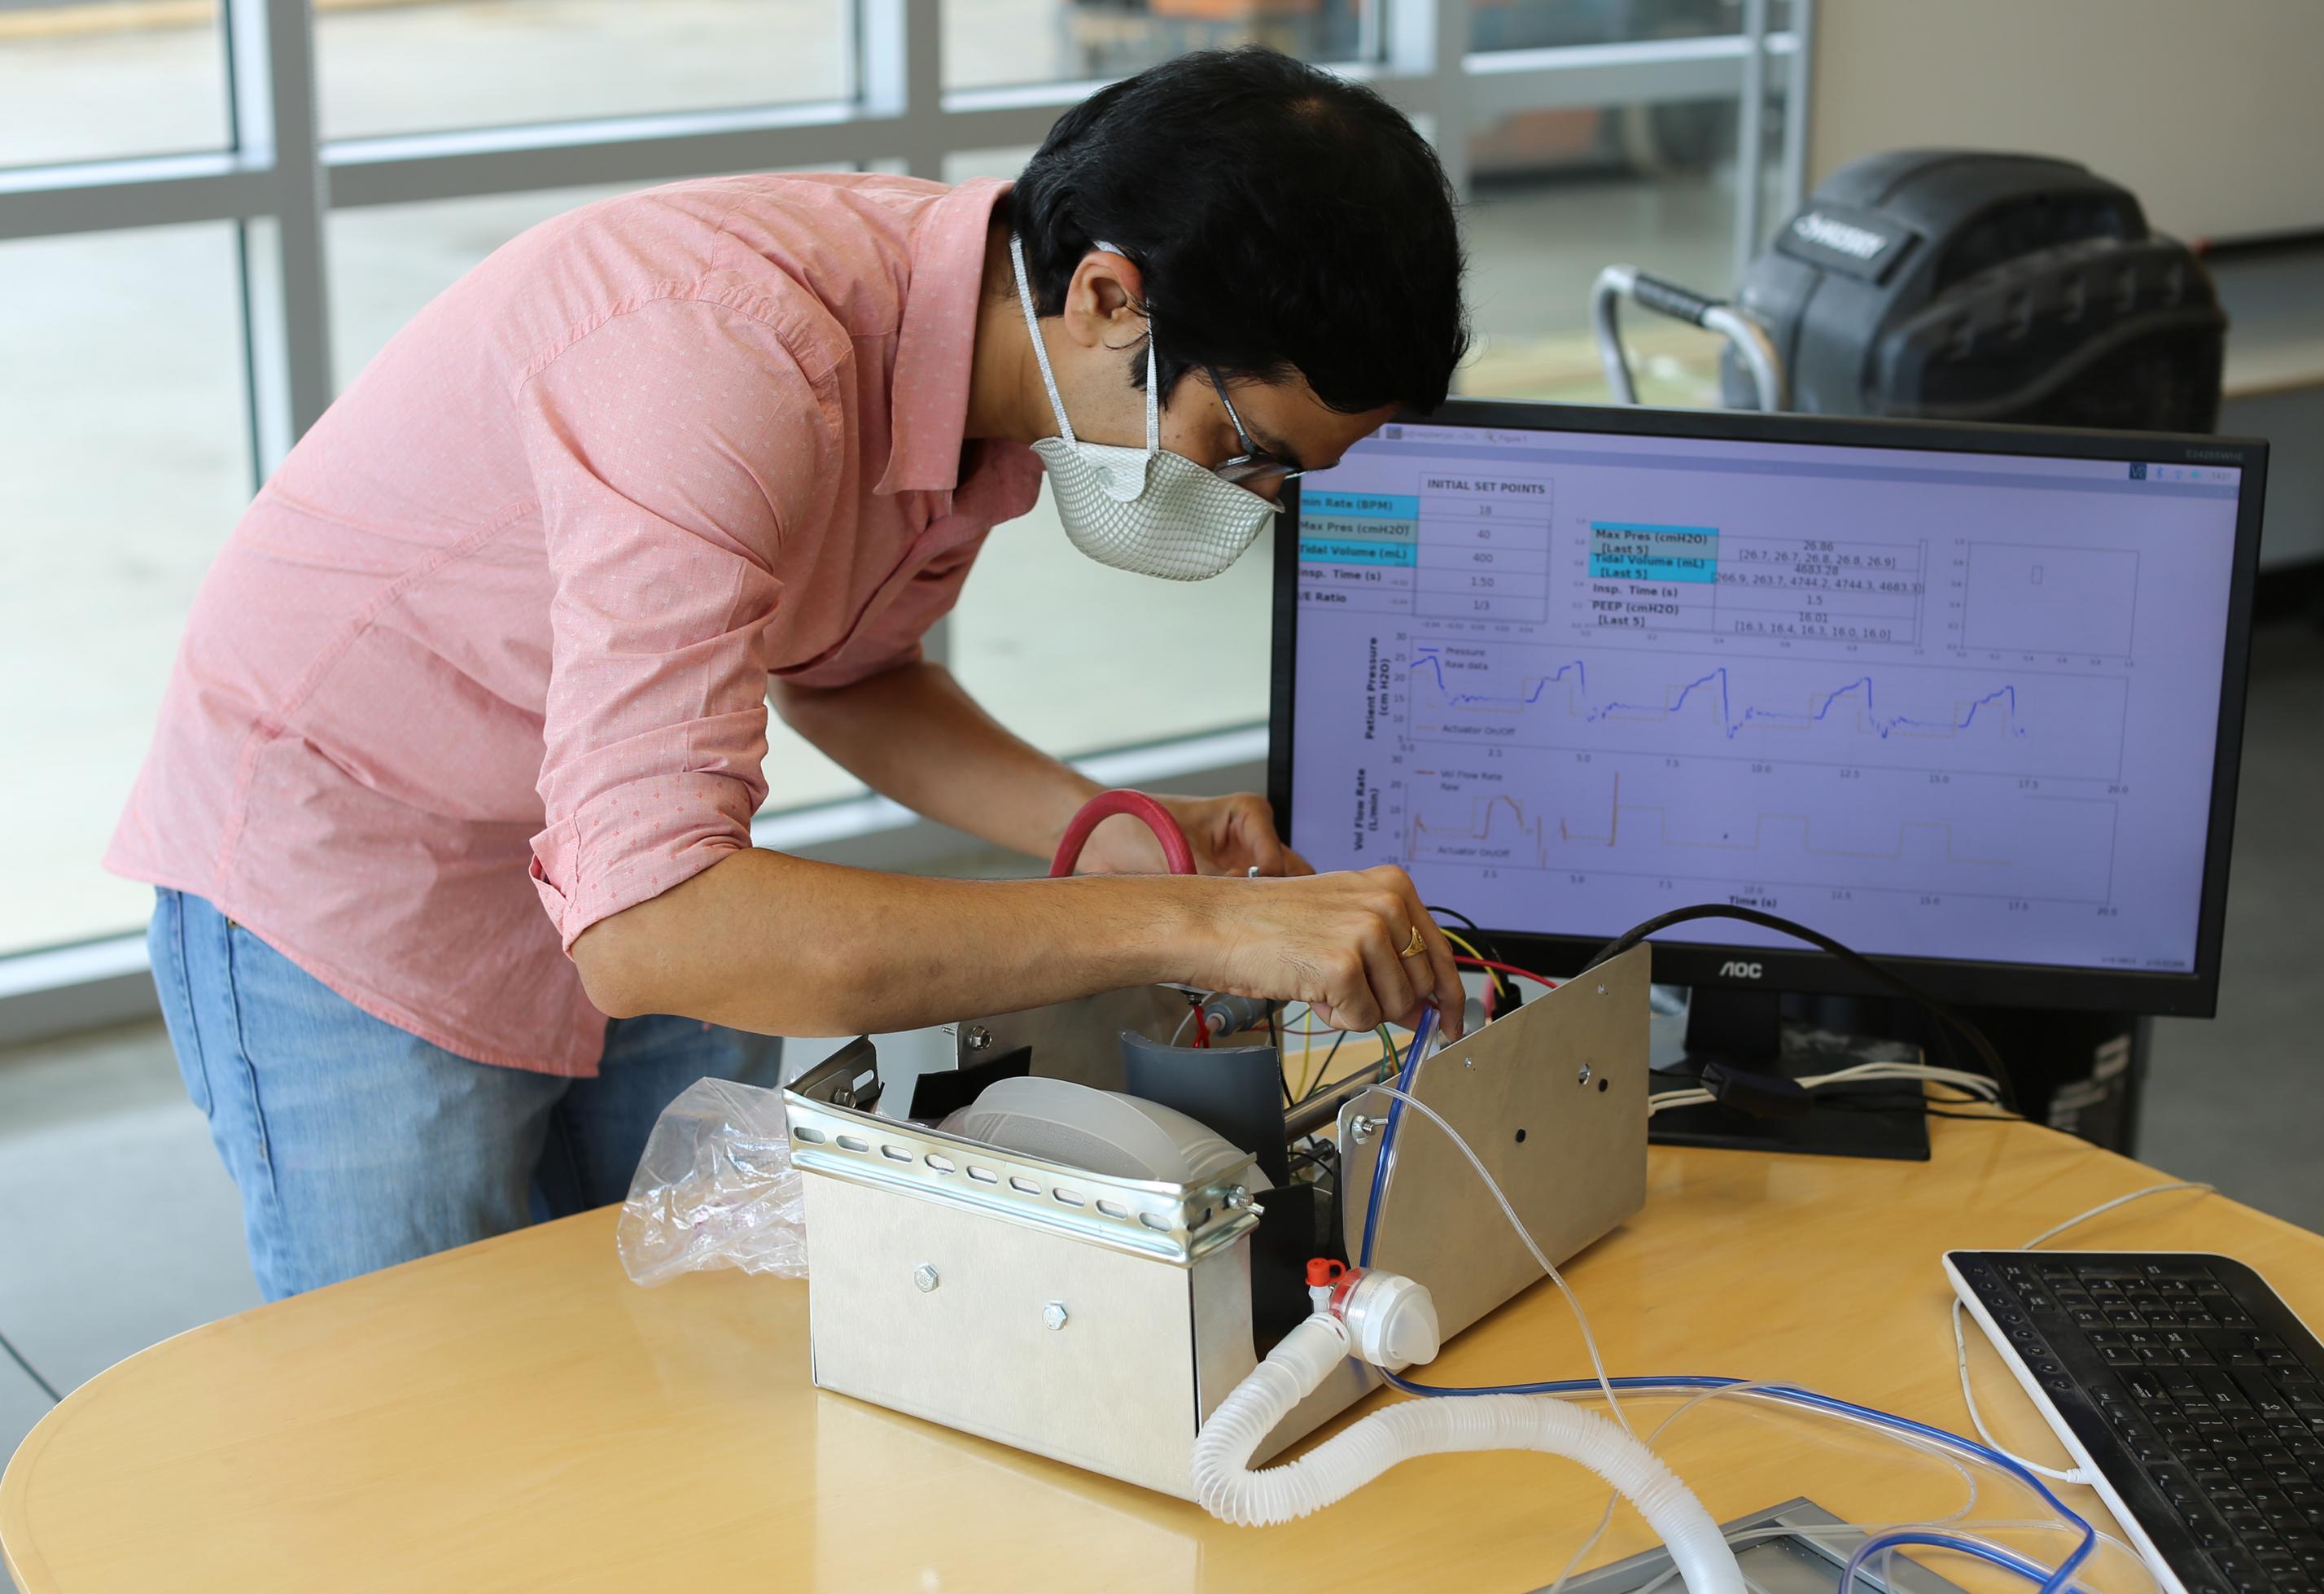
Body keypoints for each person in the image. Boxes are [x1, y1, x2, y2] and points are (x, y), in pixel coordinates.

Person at [107, 47, 1471, 1300]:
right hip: (357, 869)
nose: (1245, 500)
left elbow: (845, 670)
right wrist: (1196, 924)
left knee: (650, 1363)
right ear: (1111, 295)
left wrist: (1105, 835)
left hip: (602, 847)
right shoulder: (729, 360)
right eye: (1244, 446)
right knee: (417, 1411)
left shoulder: (989, 369)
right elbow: (655, 925)